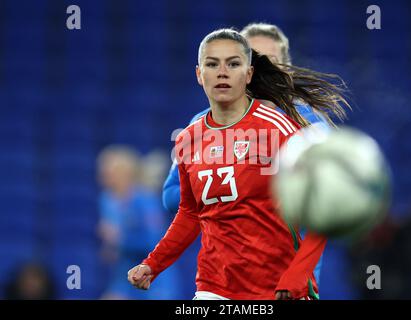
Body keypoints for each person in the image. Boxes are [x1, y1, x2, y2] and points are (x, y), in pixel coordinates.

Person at [128, 28, 350, 300]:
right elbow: (189, 212)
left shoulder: (279, 130)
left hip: (278, 287)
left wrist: (298, 274)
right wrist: (153, 263)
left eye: (233, 64)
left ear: (249, 75)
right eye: (212, 64)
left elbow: (321, 206)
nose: (222, 72)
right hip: (214, 288)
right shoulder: (189, 138)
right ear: (199, 74)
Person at [97, 145, 180, 299]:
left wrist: (120, 239)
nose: (103, 174)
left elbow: (155, 243)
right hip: (125, 276)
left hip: (154, 278)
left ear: (126, 173)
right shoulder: (107, 201)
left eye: (109, 170)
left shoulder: (145, 200)